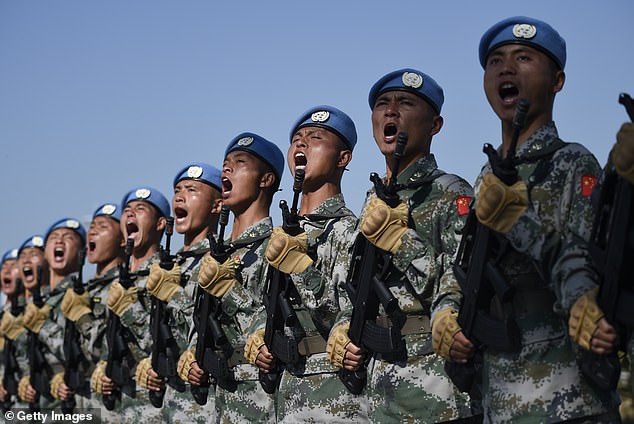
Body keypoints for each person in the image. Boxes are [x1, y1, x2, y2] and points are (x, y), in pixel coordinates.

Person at [436, 16, 621, 422]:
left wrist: (519, 221)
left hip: (565, 393)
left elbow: (587, 269)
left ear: (557, 81)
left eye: (524, 58)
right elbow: (463, 266)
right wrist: (445, 313)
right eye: (495, 61)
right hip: (498, 396)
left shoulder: (572, 162)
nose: (506, 68)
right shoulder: (487, 176)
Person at [329, 69, 478, 423]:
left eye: (405, 103)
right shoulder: (372, 200)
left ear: (435, 125)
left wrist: (401, 242)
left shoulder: (451, 192)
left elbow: (463, 284)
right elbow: (355, 285)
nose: (391, 112)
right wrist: (342, 325)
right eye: (382, 104)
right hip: (378, 393)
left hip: (436, 390)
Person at [246, 105, 368, 422]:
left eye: (315, 138)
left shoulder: (350, 231)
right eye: (297, 138)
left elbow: (347, 313)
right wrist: (258, 332)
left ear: (343, 158)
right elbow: (258, 306)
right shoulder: (278, 237)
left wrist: (299, 267)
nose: (302, 144)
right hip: (285, 397)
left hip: (335, 397)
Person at [178, 132, 284, 423]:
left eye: (240, 162)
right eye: (225, 163)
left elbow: (282, 320)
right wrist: (192, 351)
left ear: (266, 180)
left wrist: (229, 289)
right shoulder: (217, 255)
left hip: (262, 397)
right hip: (218, 399)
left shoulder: (277, 245)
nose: (227, 169)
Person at [141, 162, 223, 423]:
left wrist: (172, 294)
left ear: (217, 205)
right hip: (169, 402)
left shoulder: (219, 259)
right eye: (177, 190)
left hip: (205, 401)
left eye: (192, 190)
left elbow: (208, 324)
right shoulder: (167, 267)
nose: (179, 196)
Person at [97, 187, 170, 423]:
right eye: (127, 210)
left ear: (160, 224)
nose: (130, 215)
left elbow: (168, 337)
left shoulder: (166, 274)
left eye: (140, 209)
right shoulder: (114, 282)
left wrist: (129, 307)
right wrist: (100, 366)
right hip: (117, 404)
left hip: (154, 403)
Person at [60, 202, 125, 419]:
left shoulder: (122, 287)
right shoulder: (84, 290)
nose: (93, 231)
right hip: (82, 404)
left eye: (103, 227)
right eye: (92, 226)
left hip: (111, 407)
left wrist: (82, 317)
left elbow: (105, 349)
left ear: (123, 239)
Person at [21, 219, 86, 411]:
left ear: (83, 251)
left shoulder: (81, 294)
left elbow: (88, 354)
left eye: (68, 238)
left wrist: (44, 326)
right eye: (54, 237)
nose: (59, 241)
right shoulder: (39, 301)